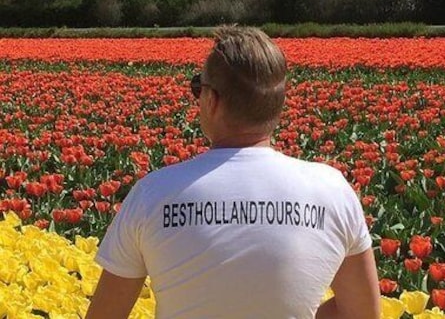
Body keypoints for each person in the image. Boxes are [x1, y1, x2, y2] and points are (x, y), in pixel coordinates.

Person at [86, 26, 380, 319]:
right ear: (278, 105)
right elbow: (363, 314)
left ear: (211, 100)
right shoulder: (331, 191)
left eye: (197, 88)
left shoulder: (154, 194)